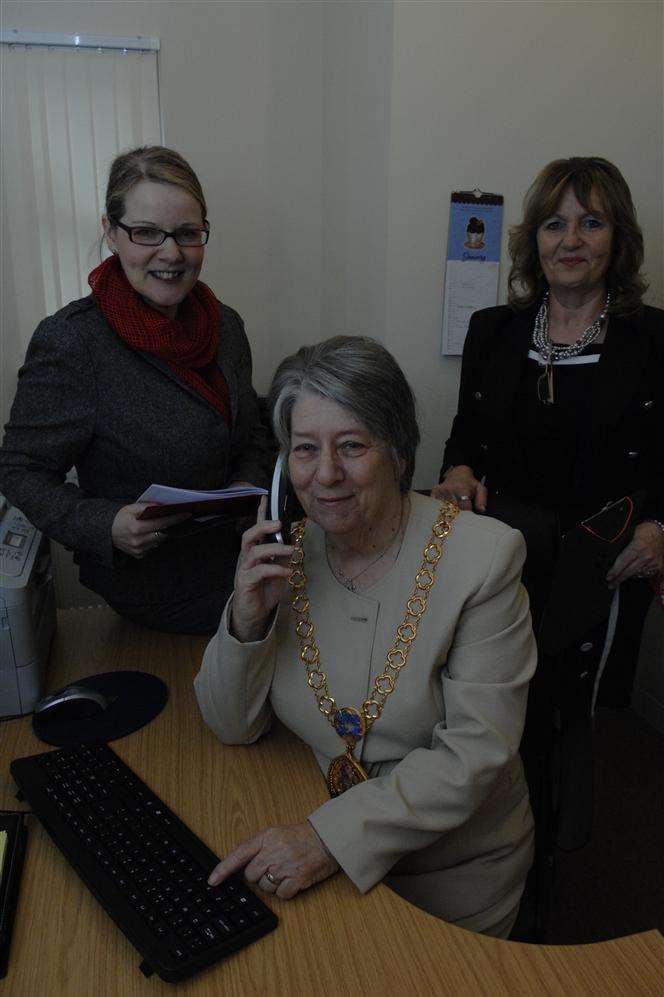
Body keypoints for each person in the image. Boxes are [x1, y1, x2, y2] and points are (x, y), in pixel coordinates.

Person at [195, 336, 536, 939]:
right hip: (318, 837)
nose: (325, 474)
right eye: (304, 450)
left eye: (352, 446)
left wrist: (326, 839)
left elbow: (474, 756)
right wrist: (247, 620)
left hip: (449, 872)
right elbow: (231, 725)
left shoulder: (484, 559)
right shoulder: (287, 556)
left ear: (399, 454)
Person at [432, 156, 663, 932]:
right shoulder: (493, 330)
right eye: (557, 223)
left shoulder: (651, 338)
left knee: (568, 716)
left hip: (599, 561)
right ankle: (501, 858)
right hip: (503, 556)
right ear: (533, 242)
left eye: (592, 221)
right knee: (497, 704)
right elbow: (465, 437)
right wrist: (458, 469)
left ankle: (557, 883)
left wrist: (662, 527)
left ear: (617, 240)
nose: (572, 239)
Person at [0, 146, 273, 634]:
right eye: (147, 232)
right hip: (154, 587)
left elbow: (250, 433)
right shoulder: (73, 342)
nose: (171, 253)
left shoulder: (226, 325)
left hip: (242, 551)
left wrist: (241, 487)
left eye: (188, 234)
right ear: (111, 232)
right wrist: (105, 524)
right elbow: (20, 470)